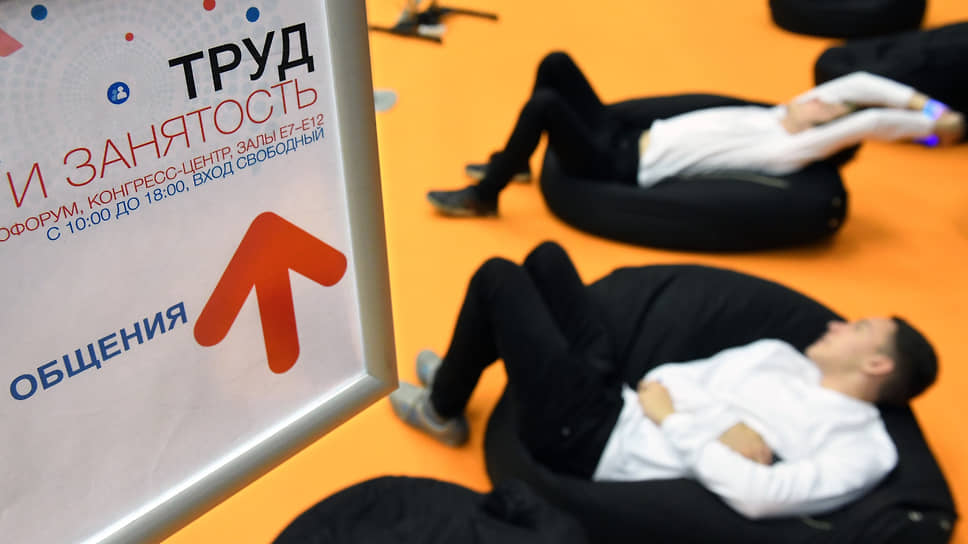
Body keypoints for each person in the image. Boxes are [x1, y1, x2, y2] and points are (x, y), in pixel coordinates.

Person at [389, 241, 939, 519]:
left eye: (857, 329)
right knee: (545, 259)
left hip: (595, 441)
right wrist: (720, 431)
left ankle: (442, 408)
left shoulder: (864, 450)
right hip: (623, 398)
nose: (838, 324)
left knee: (498, 278)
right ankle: (460, 370)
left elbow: (760, 495)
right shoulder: (780, 356)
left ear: (877, 365)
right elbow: (665, 379)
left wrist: (676, 422)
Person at [427, 51, 965, 216]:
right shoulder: (781, 112)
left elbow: (869, 120)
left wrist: (937, 125)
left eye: (828, 108)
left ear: (831, 131)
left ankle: (485, 196)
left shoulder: (787, 150)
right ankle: (519, 162)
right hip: (621, 132)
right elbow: (861, 86)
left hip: (620, 165)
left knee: (546, 105)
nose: (820, 98)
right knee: (556, 64)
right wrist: (926, 102)